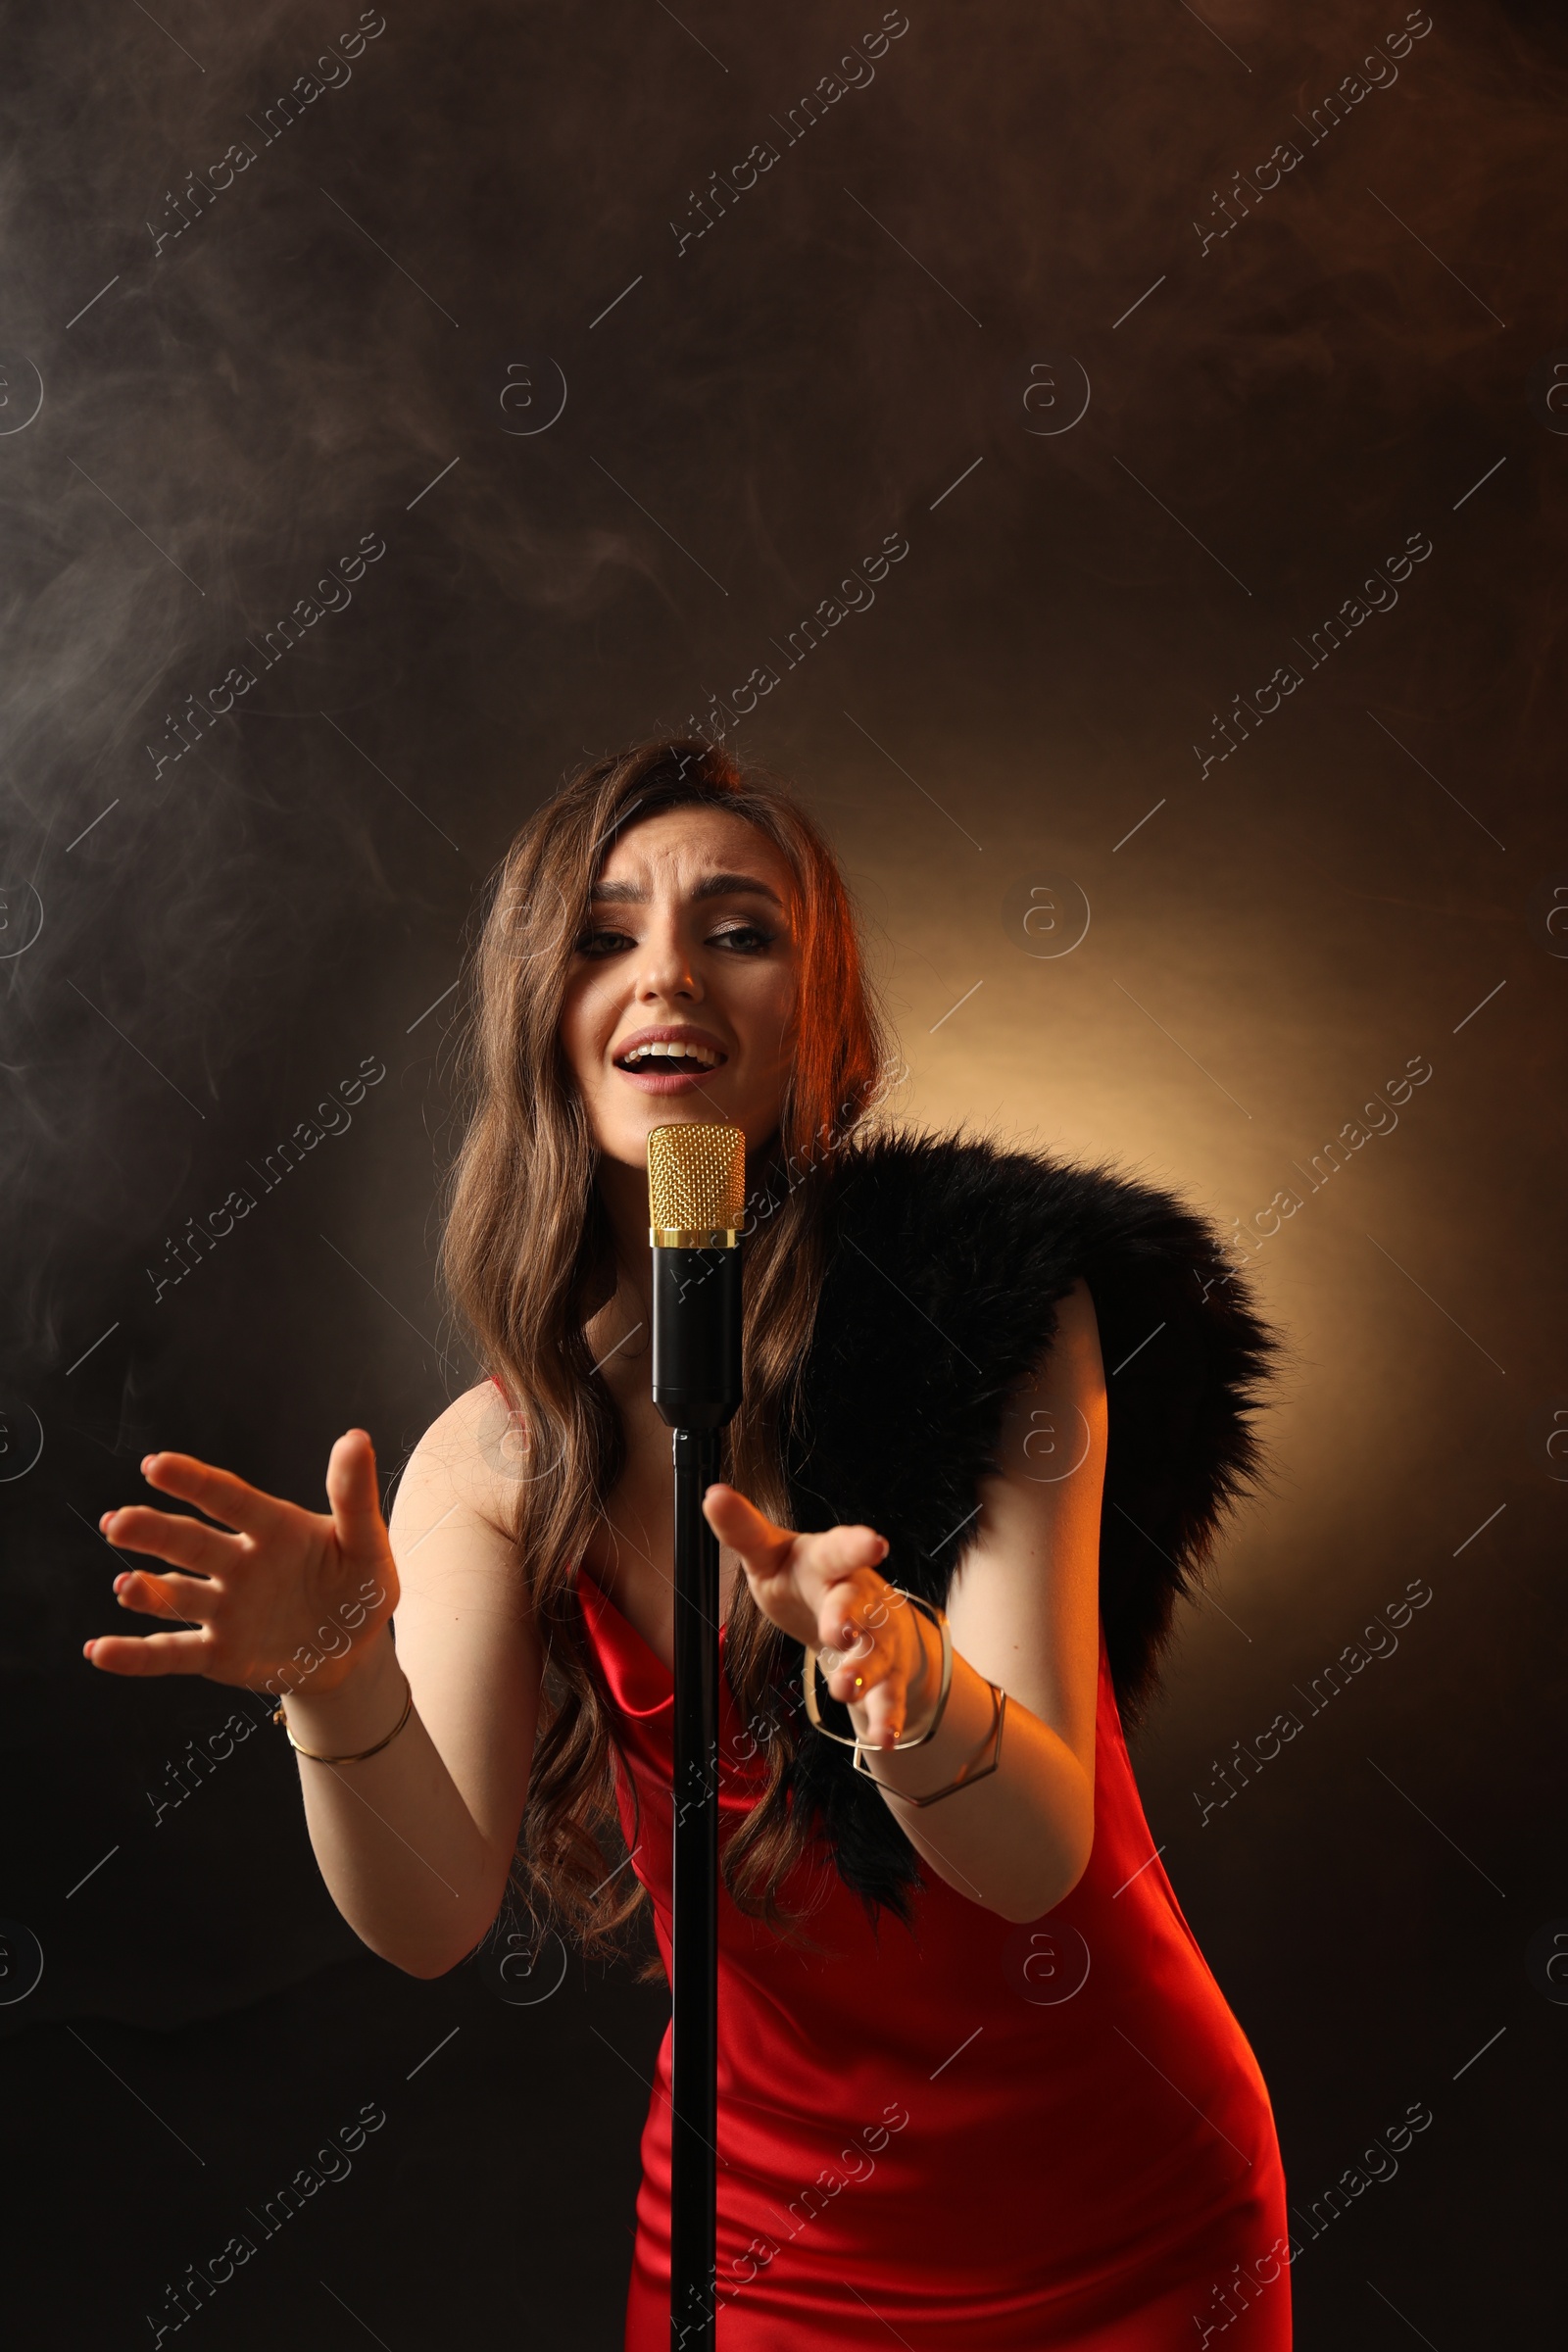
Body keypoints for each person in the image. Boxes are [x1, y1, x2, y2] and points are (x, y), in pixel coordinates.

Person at [86, 737, 1294, 2348]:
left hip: (1122, 2211)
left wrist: (906, 1682)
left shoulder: (1000, 1315)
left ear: (823, 1026)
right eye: (602, 935)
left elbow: (1033, 1855)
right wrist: (332, 1682)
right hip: (761, 2237)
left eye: (739, 930)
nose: (669, 974)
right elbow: (430, 1910)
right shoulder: (499, 1457)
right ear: (543, 1022)